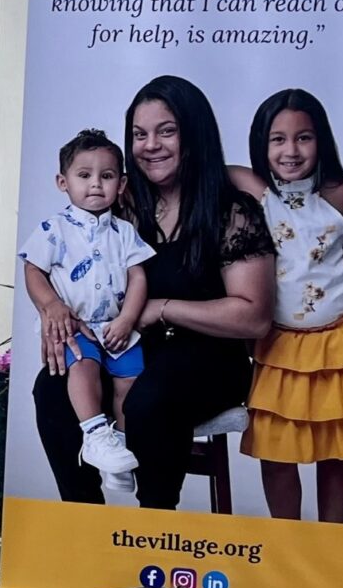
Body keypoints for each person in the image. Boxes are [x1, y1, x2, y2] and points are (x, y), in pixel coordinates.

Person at [31, 76, 276, 511]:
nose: (150, 146)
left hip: (208, 357)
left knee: (150, 399)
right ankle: (82, 522)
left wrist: (161, 308)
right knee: (52, 386)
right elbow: (51, 262)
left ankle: (155, 525)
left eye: (166, 131)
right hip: (133, 346)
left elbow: (254, 316)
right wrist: (54, 311)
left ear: (193, 134)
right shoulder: (120, 207)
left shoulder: (229, 210)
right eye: (139, 134)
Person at [232, 89, 343, 523]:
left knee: (336, 451)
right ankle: (288, 541)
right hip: (279, 346)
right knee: (276, 453)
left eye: (303, 137)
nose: (291, 150)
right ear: (261, 143)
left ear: (321, 139)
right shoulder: (254, 189)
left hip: (341, 342)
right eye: (278, 139)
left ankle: (331, 540)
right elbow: (198, 169)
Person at [19, 129, 155, 491]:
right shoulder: (54, 229)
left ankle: (118, 452)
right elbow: (33, 270)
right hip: (76, 327)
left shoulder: (124, 232)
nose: (96, 184)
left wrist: (127, 319)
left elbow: (138, 277)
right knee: (84, 366)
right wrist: (52, 305)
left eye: (106, 176)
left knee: (130, 380)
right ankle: (95, 434)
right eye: (84, 175)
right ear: (63, 182)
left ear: (121, 184)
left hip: (115, 326)